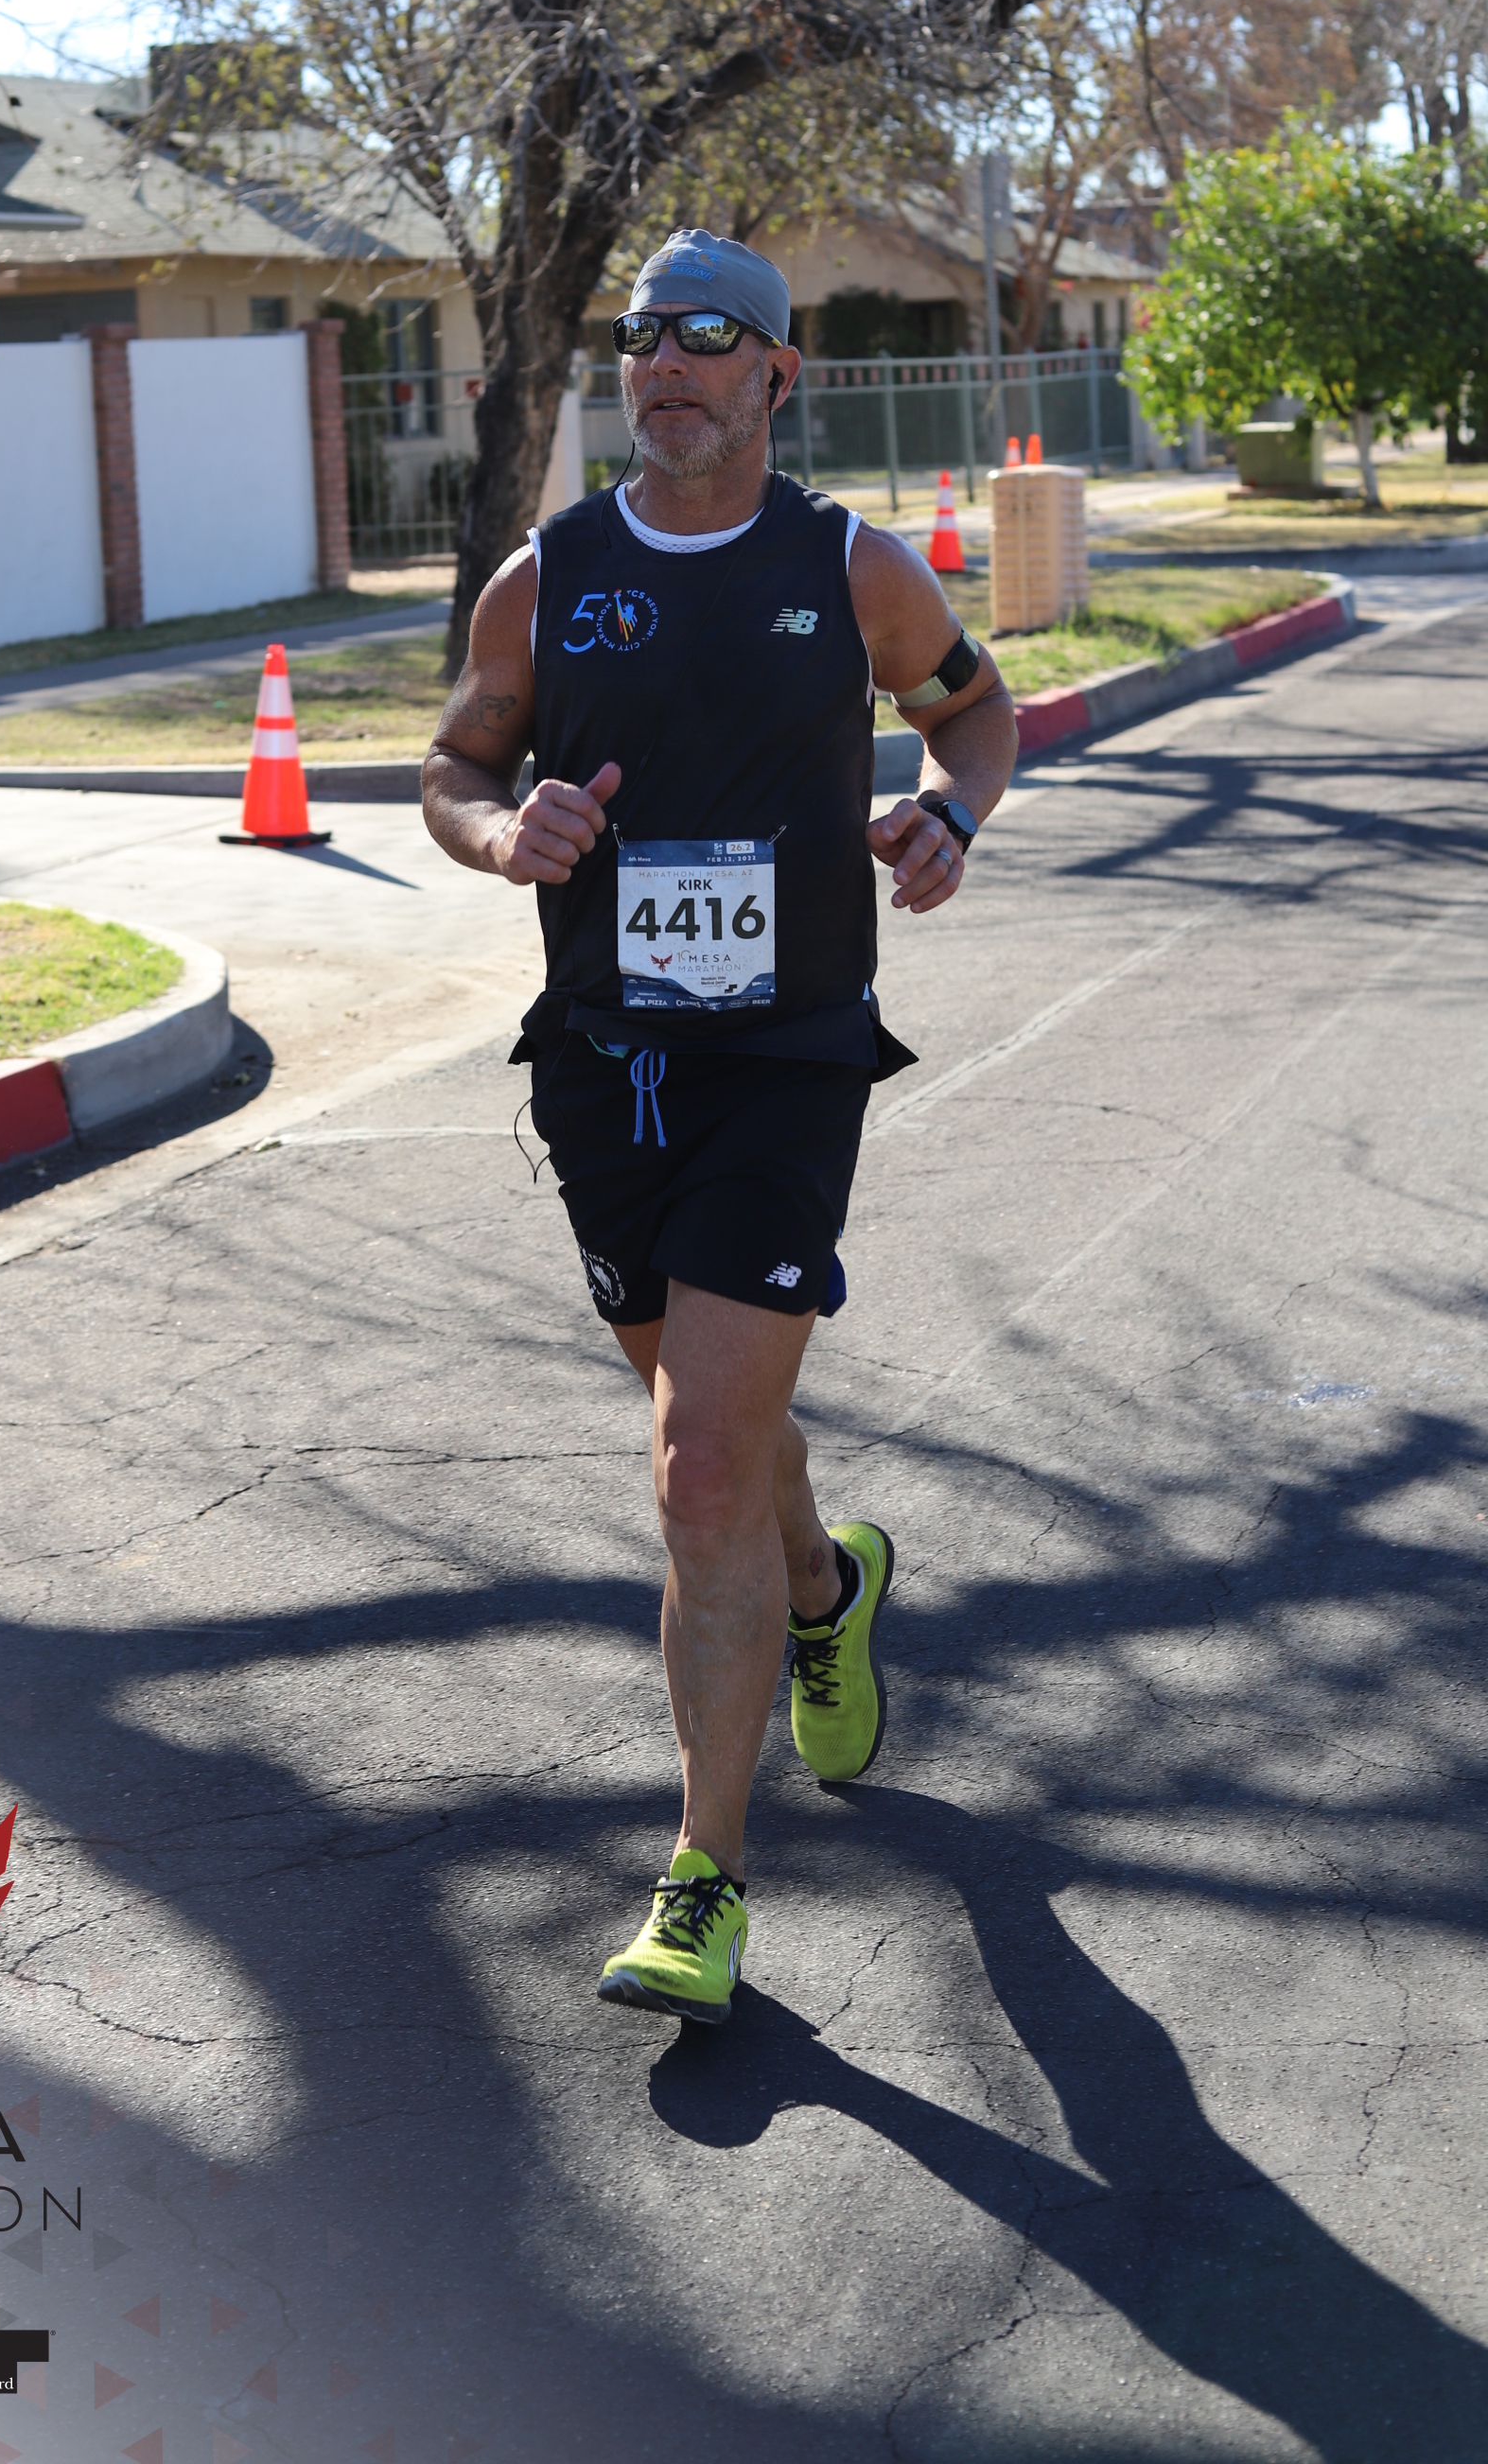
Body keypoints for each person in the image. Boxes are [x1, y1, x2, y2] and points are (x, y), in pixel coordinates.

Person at [422, 229, 1017, 2025]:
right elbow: (455, 766)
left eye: (706, 334)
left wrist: (947, 816)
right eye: (642, 336)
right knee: (717, 1432)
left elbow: (974, 713)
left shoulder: (850, 566)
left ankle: (703, 1881)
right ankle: (827, 1586)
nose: (665, 362)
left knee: (694, 1474)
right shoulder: (548, 578)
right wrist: (499, 833)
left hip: (788, 1057)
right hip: (604, 1061)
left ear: (776, 374)